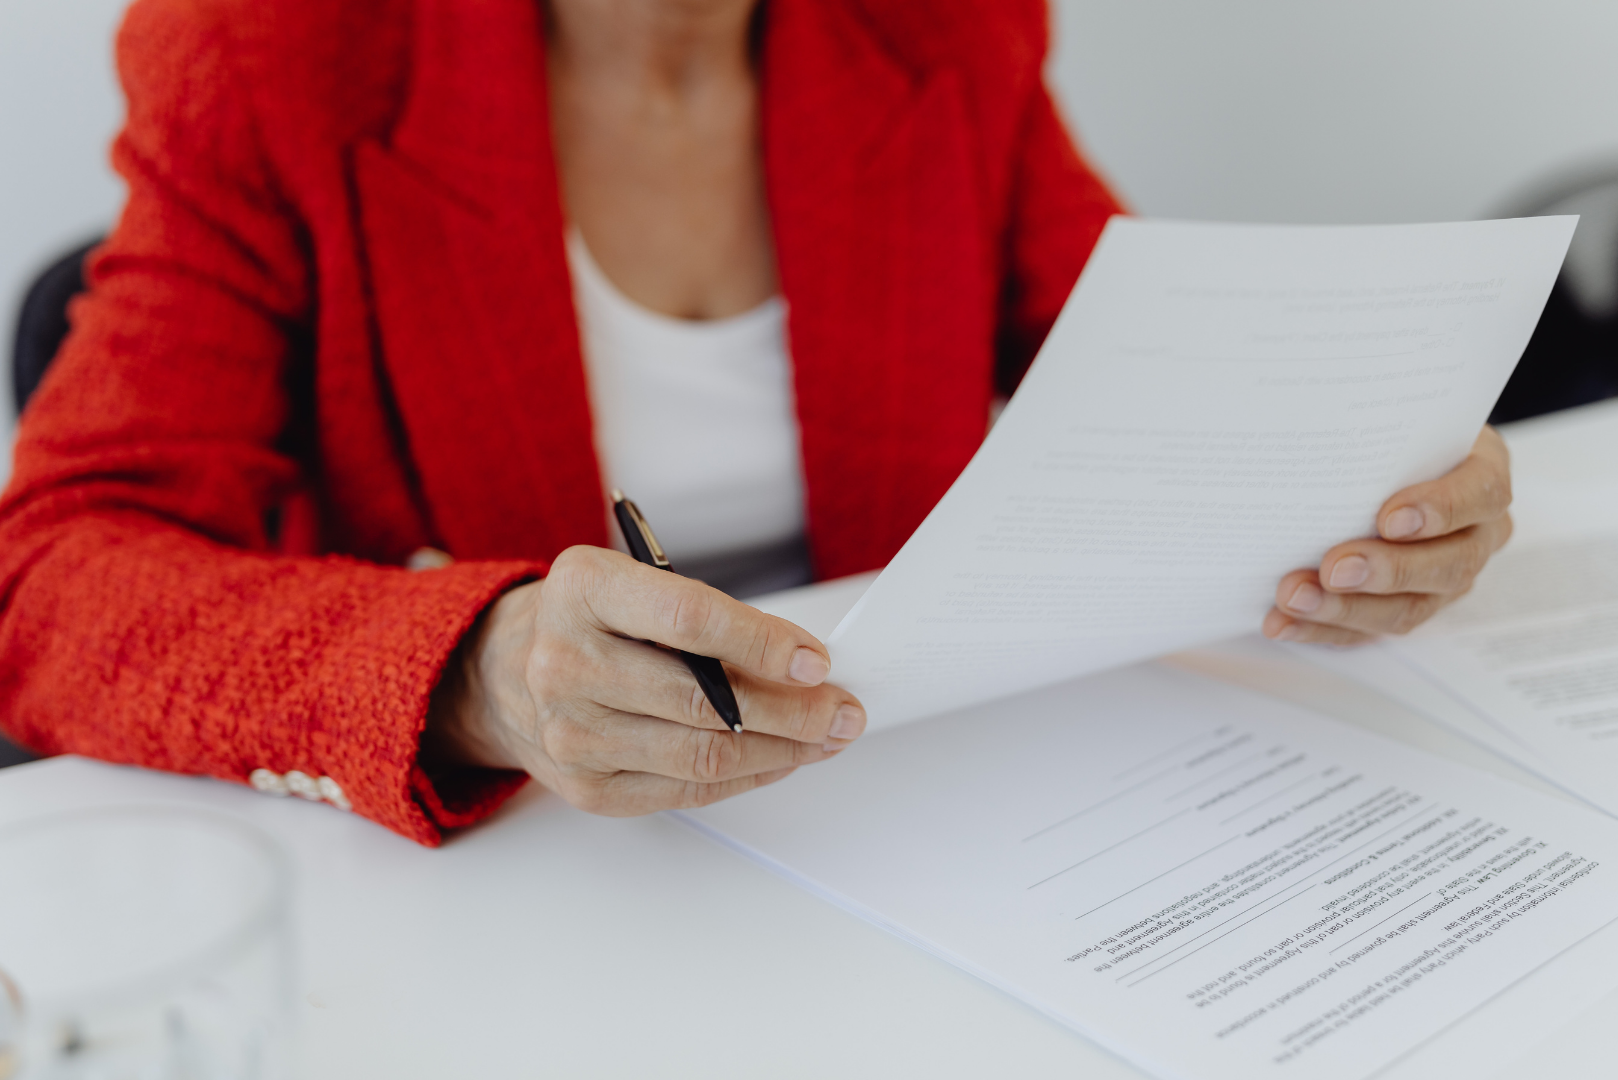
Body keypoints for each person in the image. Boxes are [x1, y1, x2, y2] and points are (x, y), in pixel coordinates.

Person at [0, 0, 1513, 846]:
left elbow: (1146, 373)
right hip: (509, 879)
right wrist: (467, 671)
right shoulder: (275, 52)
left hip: (881, 822)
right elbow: (52, 574)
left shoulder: (943, 32)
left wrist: (1371, 479)